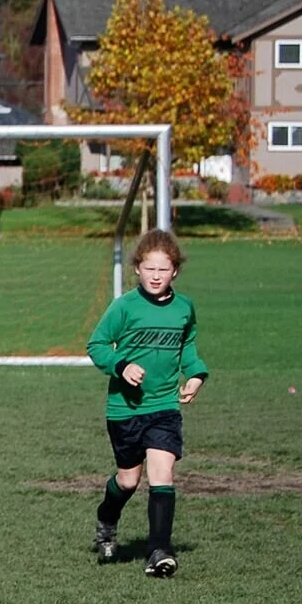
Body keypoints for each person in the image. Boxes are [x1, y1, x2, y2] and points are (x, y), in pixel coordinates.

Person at [85, 229, 206, 577]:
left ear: (175, 272)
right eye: (149, 269)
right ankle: (107, 519)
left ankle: (159, 552)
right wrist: (121, 366)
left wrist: (196, 374)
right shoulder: (124, 306)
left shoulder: (184, 308)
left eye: (163, 270)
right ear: (137, 268)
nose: (156, 276)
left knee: (162, 474)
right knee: (127, 482)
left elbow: (189, 345)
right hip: (124, 409)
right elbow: (96, 345)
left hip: (164, 406)